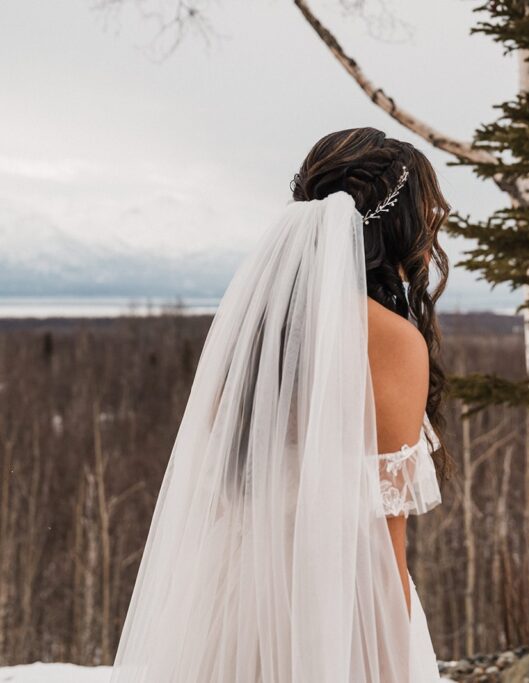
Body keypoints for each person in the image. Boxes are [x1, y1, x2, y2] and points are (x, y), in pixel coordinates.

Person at [111, 128, 450, 682]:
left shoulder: (257, 326)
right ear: (397, 223)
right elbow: (385, 532)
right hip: (339, 604)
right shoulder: (388, 338)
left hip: (235, 595)